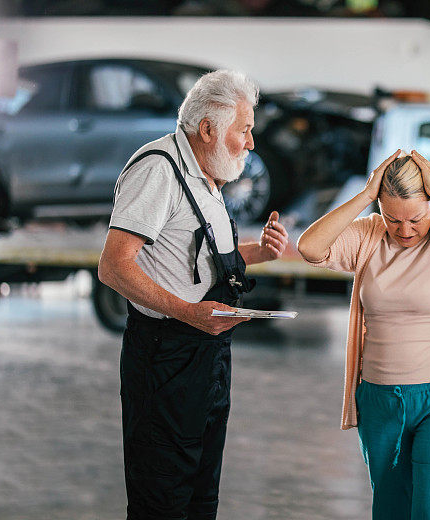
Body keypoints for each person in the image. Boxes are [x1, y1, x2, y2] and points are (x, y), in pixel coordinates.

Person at [98, 69, 289, 520]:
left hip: (208, 358)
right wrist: (188, 313)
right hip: (166, 359)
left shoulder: (206, 176)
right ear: (208, 129)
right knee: (163, 502)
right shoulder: (158, 170)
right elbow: (114, 265)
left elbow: (195, 258)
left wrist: (258, 252)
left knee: (201, 498)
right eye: (244, 129)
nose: (251, 142)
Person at [297, 149, 430, 519]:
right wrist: (365, 196)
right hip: (379, 401)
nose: (405, 230)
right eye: (392, 218)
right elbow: (310, 248)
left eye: (415, 218)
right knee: (391, 511)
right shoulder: (369, 235)